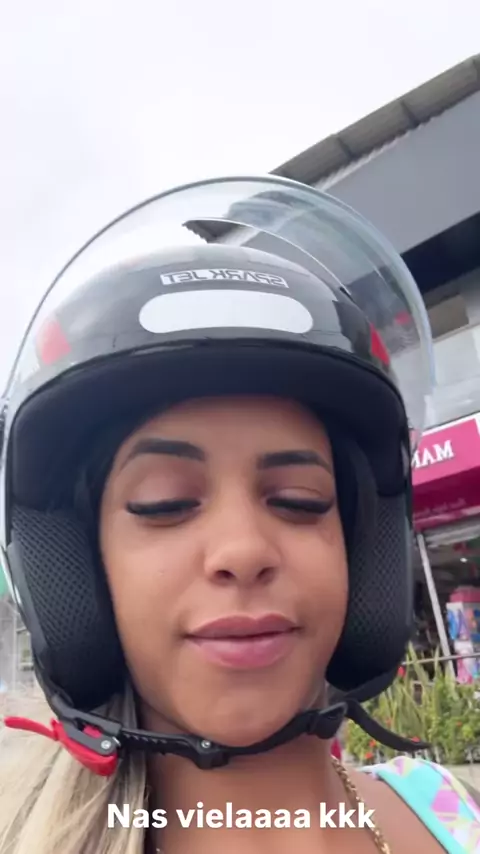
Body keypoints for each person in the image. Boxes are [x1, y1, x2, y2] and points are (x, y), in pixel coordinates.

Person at [0, 175, 478, 854]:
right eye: (165, 503)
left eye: (299, 501)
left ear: (361, 547)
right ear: (78, 569)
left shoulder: (449, 810)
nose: (243, 548)